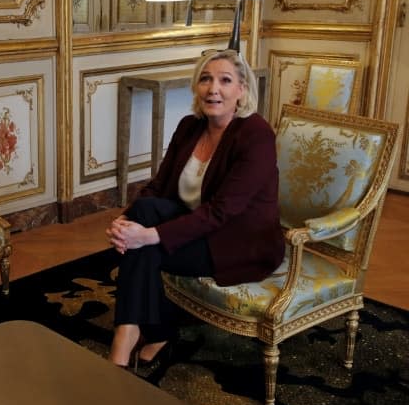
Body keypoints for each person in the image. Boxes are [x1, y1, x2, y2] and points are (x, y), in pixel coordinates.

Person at [106, 49, 284, 368]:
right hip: (197, 224)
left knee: (144, 248)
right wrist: (125, 220)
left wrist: (150, 236)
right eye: (205, 79)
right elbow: (159, 186)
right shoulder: (190, 126)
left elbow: (222, 211)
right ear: (196, 86)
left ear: (241, 91)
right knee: (144, 212)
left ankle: (131, 336)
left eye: (225, 80)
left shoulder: (256, 135)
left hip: (238, 241)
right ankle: (144, 331)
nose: (213, 88)